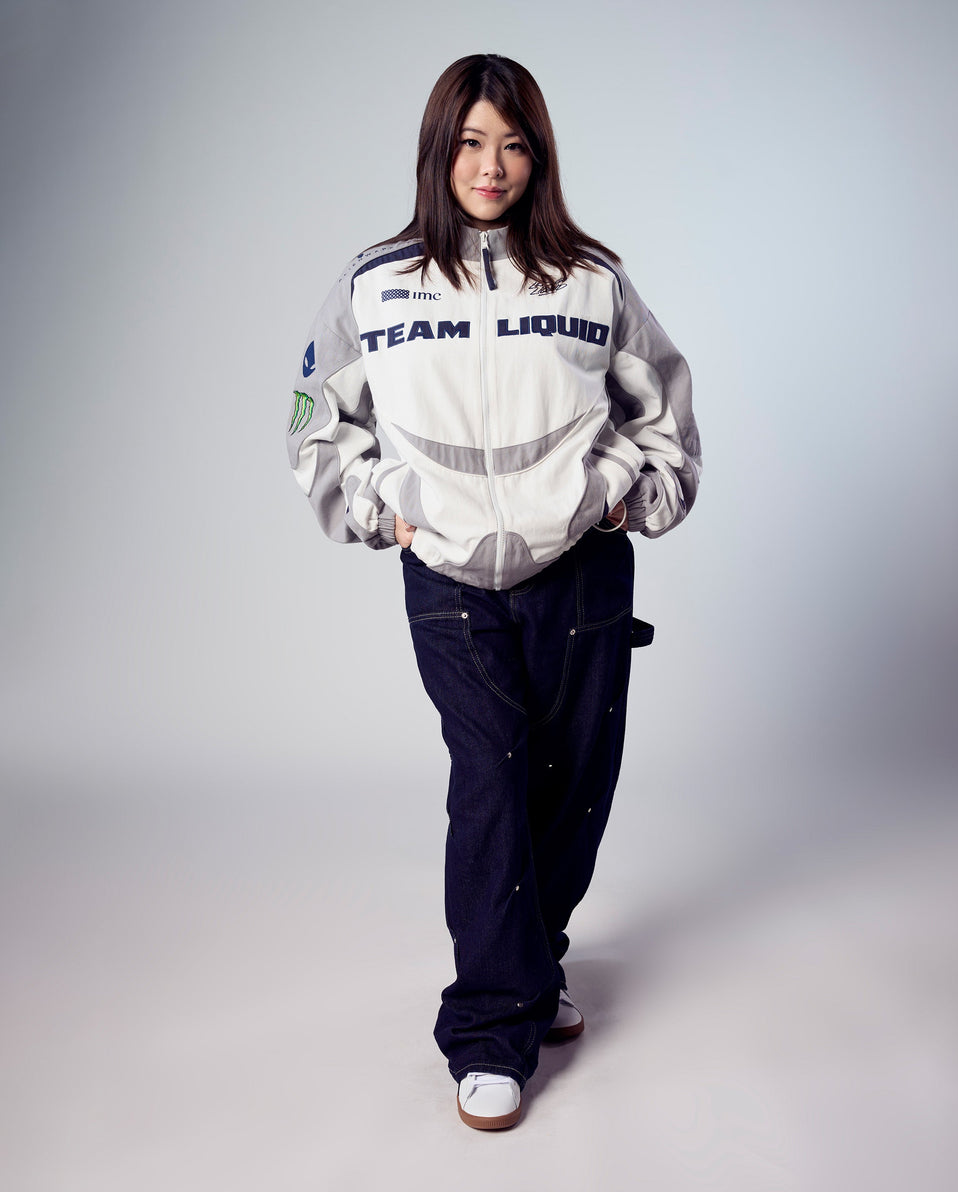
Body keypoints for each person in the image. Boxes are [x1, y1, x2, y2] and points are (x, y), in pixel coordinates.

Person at [287, 53, 701, 1130]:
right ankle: (488, 1031)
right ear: (439, 149)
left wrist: (625, 499)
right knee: (490, 779)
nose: (492, 165)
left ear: (539, 157)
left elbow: (665, 410)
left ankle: (530, 961)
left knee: (572, 787)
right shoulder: (375, 282)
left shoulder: (593, 279)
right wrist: (382, 511)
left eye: (514, 145)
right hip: (447, 575)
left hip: (581, 572)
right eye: (472, 142)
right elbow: (311, 420)